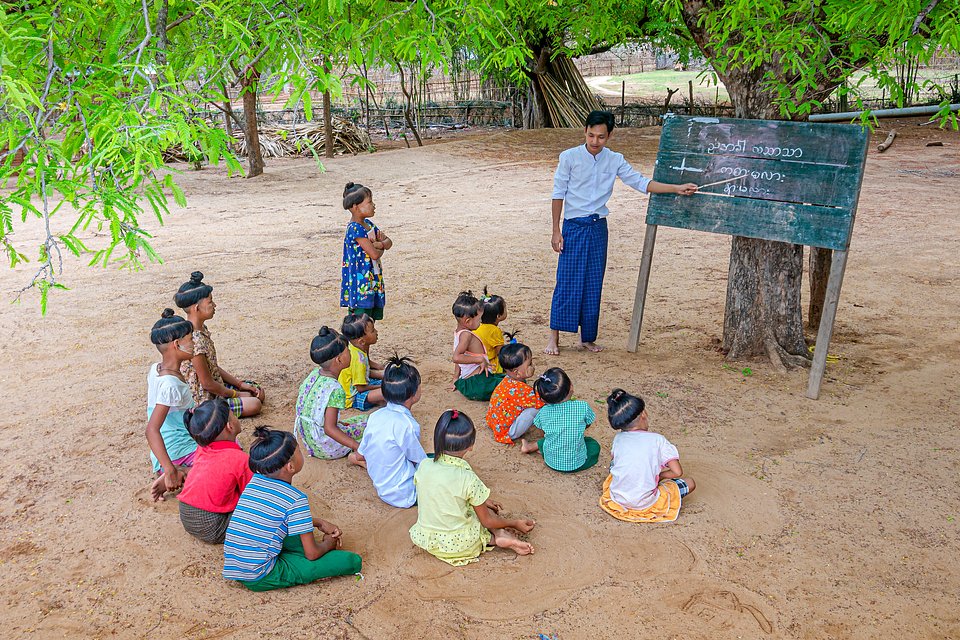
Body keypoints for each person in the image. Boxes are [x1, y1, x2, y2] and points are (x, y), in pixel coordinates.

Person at [545, 110, 699, 355]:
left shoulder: (614, 159)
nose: (595, 142)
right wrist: (556, 230)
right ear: (584, 131)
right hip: (573, 227)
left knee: (593, 282)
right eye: (591, 135)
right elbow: (558, 193)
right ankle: (554, 337)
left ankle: (587, 338)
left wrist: (676, 188)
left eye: (601, 137)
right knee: (567, 280)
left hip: (598, 228)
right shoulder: (569, 157)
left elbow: (641, 183)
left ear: (610, 136)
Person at [223, 426, 362, 591]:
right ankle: (294, 559)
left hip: (237, 566)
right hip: (261, 576)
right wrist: (328, 544)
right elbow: (312, 554)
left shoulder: (255, 481)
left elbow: (273, 518)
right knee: (351, 561)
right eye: (298, 449)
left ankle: (292, 552)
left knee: (294, 535)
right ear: (290, 467)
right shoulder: (295, 499)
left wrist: (317, 522)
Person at [409, 410, 536, 565]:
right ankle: (495, 538)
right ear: (471, 446)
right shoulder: (468, 478)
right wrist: (514, 523)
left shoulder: (424, 465)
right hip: (459, 545)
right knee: (484, 516)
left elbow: (441, 492)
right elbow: (487, 521)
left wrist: (482, 501)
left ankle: (499, 535)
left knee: (473, 507)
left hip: (428, 540)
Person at [175, 271, 264, 417]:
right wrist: (236, 394)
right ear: (196, 308)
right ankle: (215, 415)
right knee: (255, 403)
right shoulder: (193, 341)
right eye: (210, 302)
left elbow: (211, 366)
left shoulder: (200, 329)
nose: (214, 305)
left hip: (217, 389)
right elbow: (207, 384)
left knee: (257, 391)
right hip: (205, 402)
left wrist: (240, 384)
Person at [599, 388, 696, 523]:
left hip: (618, 498)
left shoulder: (618, 439)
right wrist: (660, 476)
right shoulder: (658, 440)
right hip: (646, 504)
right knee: (690, 483)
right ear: (644, 414)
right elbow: (677, 472)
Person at [178, 399, 252, 543]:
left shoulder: (202, 449)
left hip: (186, 515)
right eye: (233, 415)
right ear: (230, 426)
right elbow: (251, 497)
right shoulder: (240, 459)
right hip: (213, 525)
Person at [358, 355, 426, 508]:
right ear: (413, 394)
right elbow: (420, 462)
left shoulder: (375, 416)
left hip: (382, 488)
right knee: (438, 463)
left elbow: (361, 453)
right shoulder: (408, 425)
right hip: (406, 494)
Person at [294, 327, 367, 466]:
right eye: (348, 350)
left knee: (356, 422)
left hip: (309, 440)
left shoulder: (314, 375)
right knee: (369, 424)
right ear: (339, 360)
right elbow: (329, 428)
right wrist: (356, 446)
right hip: (326, 446)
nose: (351, 352)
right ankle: (356, 456)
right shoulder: (335, 389)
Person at [146, 308, 198, 502]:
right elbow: (152, 429)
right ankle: (179, 473)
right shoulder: (170, 385)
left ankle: (176, 471)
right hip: (177, 452)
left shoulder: (156, 370)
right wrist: (169, 470)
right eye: (191, 340)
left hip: (167, 452)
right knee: (225, 462)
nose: (194, 344)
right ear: (177, 344)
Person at [521, 367, 601, 473]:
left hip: (551, 461)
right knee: (593, 445)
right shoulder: (583, 406)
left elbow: (543, 430)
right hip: (576, 463)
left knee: (551, 438)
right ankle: (537, 448)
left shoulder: (543, 412)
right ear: (571, 387)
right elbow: (588, 423)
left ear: (544, 399)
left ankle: (531, 447)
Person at [341, 182, 391, 321]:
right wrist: (381, 246)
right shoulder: (355, 229)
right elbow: (374, 254)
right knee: (360, 323)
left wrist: (378, 244)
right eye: (369, 202)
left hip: (372, 282)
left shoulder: (368, 224)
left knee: (369, 322)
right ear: (355, 207)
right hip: (361, 287)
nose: (373, 205)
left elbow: (389, 242)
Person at [484, 343, 545, 445]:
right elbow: (541, 401)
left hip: (495, 423)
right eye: (529, 364)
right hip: (508, 432)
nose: (532, 366)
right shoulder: (521, 389)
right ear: (517, 373)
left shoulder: (507, 380)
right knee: (536, 408)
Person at [452, 290, 504, 401]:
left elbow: (460, 359)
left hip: (468, 381)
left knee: (504, 379)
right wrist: (480, 359)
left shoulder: (459, 333)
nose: (481, 322)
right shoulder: (466, 335)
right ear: (468, 321)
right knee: (513, 384)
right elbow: (456, 358)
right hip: (476, 383)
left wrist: (456, 379)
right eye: (479, 319)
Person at [338, 312, 385, 410]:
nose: (376, 332)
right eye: (372, 331)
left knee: (387, 384)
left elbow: (364, 373)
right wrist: (381, 386)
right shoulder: (358, 360)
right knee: (387, 391)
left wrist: (383, 375)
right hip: (352, 398)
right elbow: (360, 388)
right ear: (362, 341)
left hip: (359, 385)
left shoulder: (354, 349)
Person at [474, 288, 507, 374]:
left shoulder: (477, 326)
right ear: (498, 316)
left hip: (475, 363)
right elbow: (500, 353)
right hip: (490, 365)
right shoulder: (495, 331)